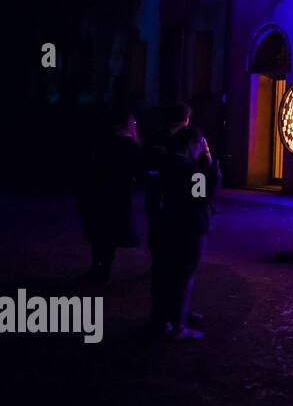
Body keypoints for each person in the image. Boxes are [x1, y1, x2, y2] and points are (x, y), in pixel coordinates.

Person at [152, 127, 215, 341]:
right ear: (190, 145)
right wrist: (209, 165)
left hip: (170, 223)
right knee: (185, 275)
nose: (201, 150)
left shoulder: (168, 163)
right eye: (199, 146)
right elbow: (202, 197)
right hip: (191, 227)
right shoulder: (190, 169)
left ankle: (164, 320)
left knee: (169, 275)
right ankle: (179, 326)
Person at [78, 107, 141, 283]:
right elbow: (138, 170)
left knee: (100, 233)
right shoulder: (129, 145)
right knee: (109, 234)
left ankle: (97, 268)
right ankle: (102, 270)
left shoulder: (103, 142)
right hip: (117, 195)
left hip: (99, 193)